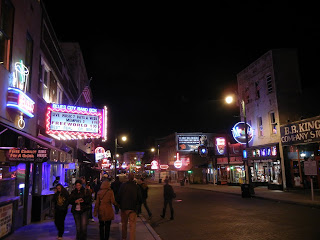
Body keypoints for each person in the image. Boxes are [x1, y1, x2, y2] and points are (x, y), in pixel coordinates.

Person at [117, 173, 142, 240]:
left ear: (128, 178)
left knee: (124, 224)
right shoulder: (136, 187)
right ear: (133, 178)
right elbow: (140, 198)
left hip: (124, 208)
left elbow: (119, 196)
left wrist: (119, 205)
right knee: (132, 226)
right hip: (133, 208)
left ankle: (124, 238)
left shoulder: (123, 186)